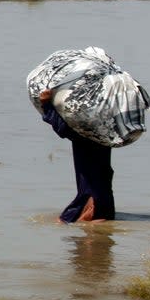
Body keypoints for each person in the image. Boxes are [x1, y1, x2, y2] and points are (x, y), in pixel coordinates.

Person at [39, 88, 114, 223]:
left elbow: (63, 130)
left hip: (91, 189)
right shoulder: (104, 121)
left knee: (70, 221)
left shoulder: (86, 125)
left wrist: (47, 105)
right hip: (102, 186)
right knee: (100, 220)